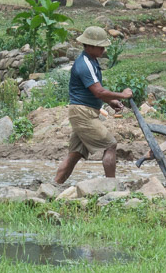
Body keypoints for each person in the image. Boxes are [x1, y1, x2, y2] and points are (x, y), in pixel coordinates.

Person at [54, 25, 133, 184]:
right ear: (89, 46)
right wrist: (122, 95)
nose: (103, 50)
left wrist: (110, 101)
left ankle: (54, 186)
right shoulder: (84, 64)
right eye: (101, 47)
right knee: (110, 145)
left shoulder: (92, 61)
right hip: (83, 114)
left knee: (74, 155)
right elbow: (98, 92)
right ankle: (112, 186)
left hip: (83, 112)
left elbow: (92, 91)